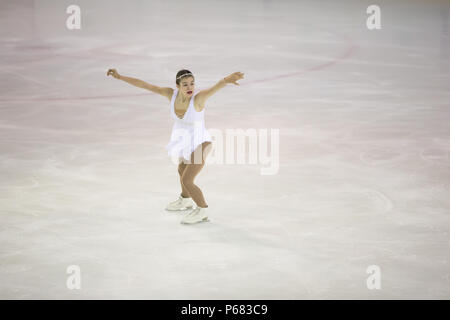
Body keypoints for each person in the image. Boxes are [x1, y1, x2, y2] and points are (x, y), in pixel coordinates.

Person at [107, 68, 244, 224]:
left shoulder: (198, 99)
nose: (190, 87)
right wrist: (120, 77)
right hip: (185, 141)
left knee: (188, 180)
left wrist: (227, 79)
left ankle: (202, 209)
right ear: (177, 86)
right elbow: (145, 85)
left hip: (201, 143)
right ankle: (185, 200)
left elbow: (215, 88)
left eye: (192, 84)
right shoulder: (170, 95)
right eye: (185, 84)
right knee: (181, 170)